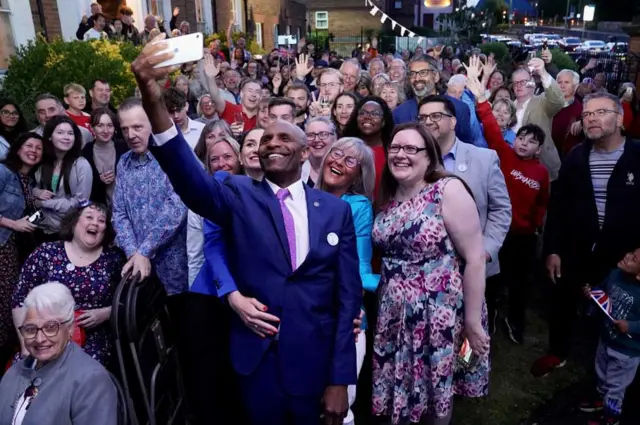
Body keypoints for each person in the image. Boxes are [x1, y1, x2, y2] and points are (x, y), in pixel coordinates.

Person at [130, 35, 362, 425]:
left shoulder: (335, 211)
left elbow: (347, 297)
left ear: (306, 153)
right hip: (258, 362)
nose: (271, 143)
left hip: (314, 361)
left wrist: (340, 378)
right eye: (265, 138)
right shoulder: (237, 193)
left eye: (284, 137)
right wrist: (151, 96)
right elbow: (188, 179)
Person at [372, 123, 490, 425]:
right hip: (394, 312)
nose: (401, 155)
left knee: (436, 390)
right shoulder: (387, 194)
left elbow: (475, 257)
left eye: (411, 148)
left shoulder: (447, 190)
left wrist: (473, 321)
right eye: (395, 148)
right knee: (401, 387)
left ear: (429, 156)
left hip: (436, 311)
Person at [534, 92, 640, 383]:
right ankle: (558, 352)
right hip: (577, 248)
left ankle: (606, 378)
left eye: (600, 112)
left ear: (619, 119)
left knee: (614, 314)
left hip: (624, 255)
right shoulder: (577, 157)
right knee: (564, 302)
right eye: (587, 114)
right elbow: (558, 207)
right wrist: (553, 249)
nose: (591, 118)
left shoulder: (637, 156)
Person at [418, 95, 511, 334]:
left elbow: (501, 209)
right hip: (426, 273)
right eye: (423, 117)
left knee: (471, 338)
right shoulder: (412, 160)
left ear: (453, 122)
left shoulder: (483, 158)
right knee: (433, 334)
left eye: (436, 116)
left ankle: (467, 368)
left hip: (473, 269)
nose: (429, 122)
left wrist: (485, 251)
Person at [468, 75, 550, 344]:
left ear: (539, 148)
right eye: (522, 138)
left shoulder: (541, 173)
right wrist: (482, 100)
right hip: (497, 232)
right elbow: (491, 128)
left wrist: (536, 225)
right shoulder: (503, 154)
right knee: (492, 280)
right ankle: (488, 315)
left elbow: (542, 203)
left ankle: (514, 320)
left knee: (519, 282)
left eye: (531, 142)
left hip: (524, 236)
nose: (524, 144)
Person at [12, 202, 124, 366]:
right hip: (45, 331)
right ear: (74, 222)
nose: (95, 223)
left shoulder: (114, 260)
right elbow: (20, 298)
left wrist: (107, 313)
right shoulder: (47, 253)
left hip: (92, 337)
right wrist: (25, 344)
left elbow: (129, 302)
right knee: (26, 376)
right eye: (89, 217)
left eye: (102, 221)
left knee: (78, 376)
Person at [316, 137, 379, 425]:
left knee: (338, 410)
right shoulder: (301, 196)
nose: (339, 161)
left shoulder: (357, 206)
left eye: (350, 160)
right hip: (303, 319)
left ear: (358, 174)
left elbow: (360, 266)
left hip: (346, 322)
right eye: (336, 153)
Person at [0, 282, 117, 425]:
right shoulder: (13, 373)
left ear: (70, 329)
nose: (40, 339)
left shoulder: (92, 380)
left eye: (50, 328)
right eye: (31, 329)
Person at [583, 249, 640, 425]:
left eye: (634, 258)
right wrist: (592, 293)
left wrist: (630, 326)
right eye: (631, 252)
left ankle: (611, 417)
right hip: (606, 338)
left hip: (626, 351)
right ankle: (602, 400)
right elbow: (602, 290)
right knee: (601, 374)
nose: (627, 256)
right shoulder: (615, 274)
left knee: (616, 387)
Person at [0, 133, 43, 366]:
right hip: (2, 245)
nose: (34, 151)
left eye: (38, 148)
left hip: (12, 248)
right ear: (17, 149)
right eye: (29, 146)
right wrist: (12, 223)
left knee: (9, 302)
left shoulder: (27, 180)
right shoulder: (4, 172)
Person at [34, 116, 93, 239]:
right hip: (40, 227)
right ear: (50, 136)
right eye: (60, 132)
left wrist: (45, 203)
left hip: (66, 230)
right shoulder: (42, 162)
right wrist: (36, 191)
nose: (66, 137)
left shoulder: (81, 164)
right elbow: (26, 187)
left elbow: (81, 202)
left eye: (70, 133)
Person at [82, 108, 127, 206]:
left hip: (124, 206)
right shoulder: (86, 151)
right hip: (99, 209)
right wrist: (99, 181)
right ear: (92, 128)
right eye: (100, 126)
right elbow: (82, 188)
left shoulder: (124, 147)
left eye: (110, 126)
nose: (105, 130)